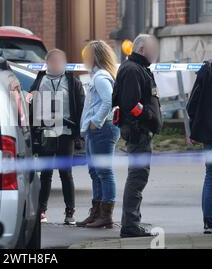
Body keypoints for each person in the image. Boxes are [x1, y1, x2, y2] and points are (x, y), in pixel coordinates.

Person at [112, 34, 163, 238]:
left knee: (138, 176)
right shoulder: (133, 69)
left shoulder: (138, 67)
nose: (155, 53)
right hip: (138, 132)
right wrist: (149, 118)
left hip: (141, 130)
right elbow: (131, 105)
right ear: (142, 49)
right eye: (152, 49)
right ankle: (130, 225)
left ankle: (132, 222)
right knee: (137, 177)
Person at [30, 49, 85, 225]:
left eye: (59, 61)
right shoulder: (40, 80)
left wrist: (78, 132)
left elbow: (81, 105)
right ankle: (42, 211)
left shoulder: (72, 81)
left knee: (65, 173)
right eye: (52, 61)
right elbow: (31, 102)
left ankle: (70, 213)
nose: (56, 64)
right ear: (46, 63)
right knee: (45, 173)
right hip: (46, 131)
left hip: (66, 132)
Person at [77, 41, 120, 229]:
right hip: (95, 130)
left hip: (102, 129)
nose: (84, 59)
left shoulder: (101, 77)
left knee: (103, 172)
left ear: (95, 57)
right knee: (95, 172)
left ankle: (106, 215)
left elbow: (108, 101)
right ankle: (96, 213)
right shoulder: (97, 76)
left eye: (87, 55)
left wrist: (96, 121)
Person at [187, 37, 212, 235]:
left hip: (209, 133)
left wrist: (194, 128)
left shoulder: (206, 69)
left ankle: (209, 222)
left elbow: (192, 103)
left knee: (211, 175)